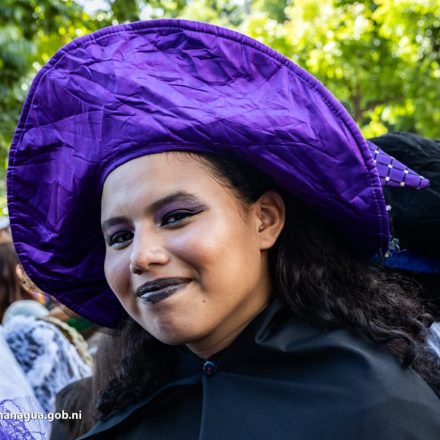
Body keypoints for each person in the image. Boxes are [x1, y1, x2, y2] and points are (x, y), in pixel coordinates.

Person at [6, 19, 440, 439]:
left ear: (265, 219)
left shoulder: (378, 412)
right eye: (120, 237)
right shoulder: (106, 409)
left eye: (175, 216)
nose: (141, 256)